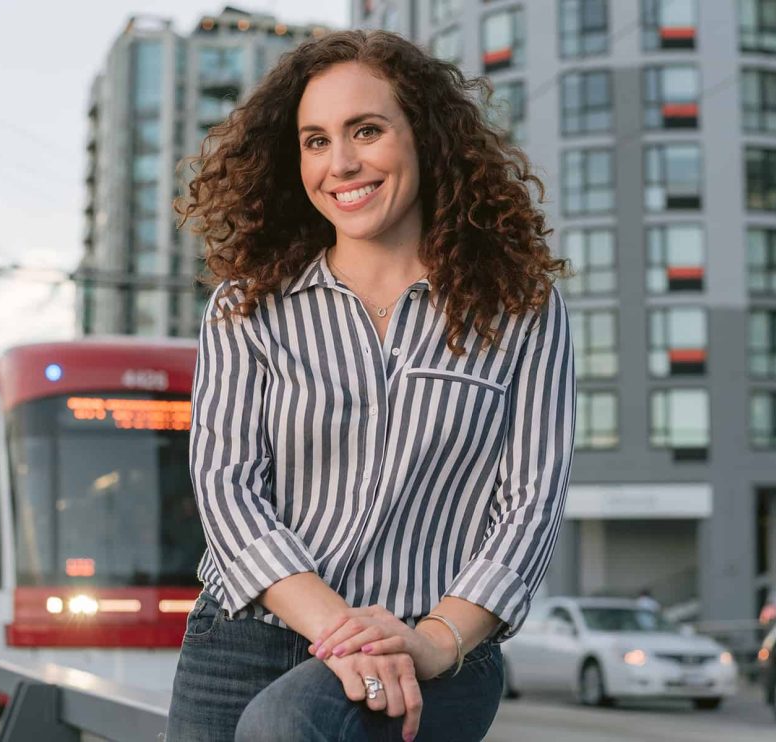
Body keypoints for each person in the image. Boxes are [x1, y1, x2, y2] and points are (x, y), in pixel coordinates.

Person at [165, 29, 576, 742]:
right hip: (242, 642)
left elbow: (531, 503)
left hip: (433, 648)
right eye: (316, 140)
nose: (342, 162)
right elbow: (226, 488)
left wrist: (436, 640)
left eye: (366, 130)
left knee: (286, 724)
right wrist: (342, 635)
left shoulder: (518, 307)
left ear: (425, 137)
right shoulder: (247, 306)